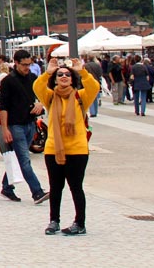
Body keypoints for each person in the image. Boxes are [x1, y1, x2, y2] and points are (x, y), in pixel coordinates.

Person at [35, 57, 99, 235]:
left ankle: (80, 223)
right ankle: (53, 220)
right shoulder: (50, 97)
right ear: (55, 79)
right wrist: (47, 72)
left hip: (77, 149)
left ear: (73, 78)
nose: (63, 76)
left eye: (67, 74)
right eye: (60, 74)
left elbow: (94, 87)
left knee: (75, 186)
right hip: (53, 148)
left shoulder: (80, 97)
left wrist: (82, 71)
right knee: (55, 187)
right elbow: (37, 87)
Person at [0, 50, 49, 204]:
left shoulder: (32, 78)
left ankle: (7, 187)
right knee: (24, 160)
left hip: (30, 123)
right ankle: (37, 192)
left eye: (29, 64)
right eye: (24, 65)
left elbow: (42, 95)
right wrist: (5, 128)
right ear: (16, 63)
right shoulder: (8, 81)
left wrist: (40, 104)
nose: (27, 68)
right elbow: (4, 107)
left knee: (18, 157)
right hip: (15, 125)